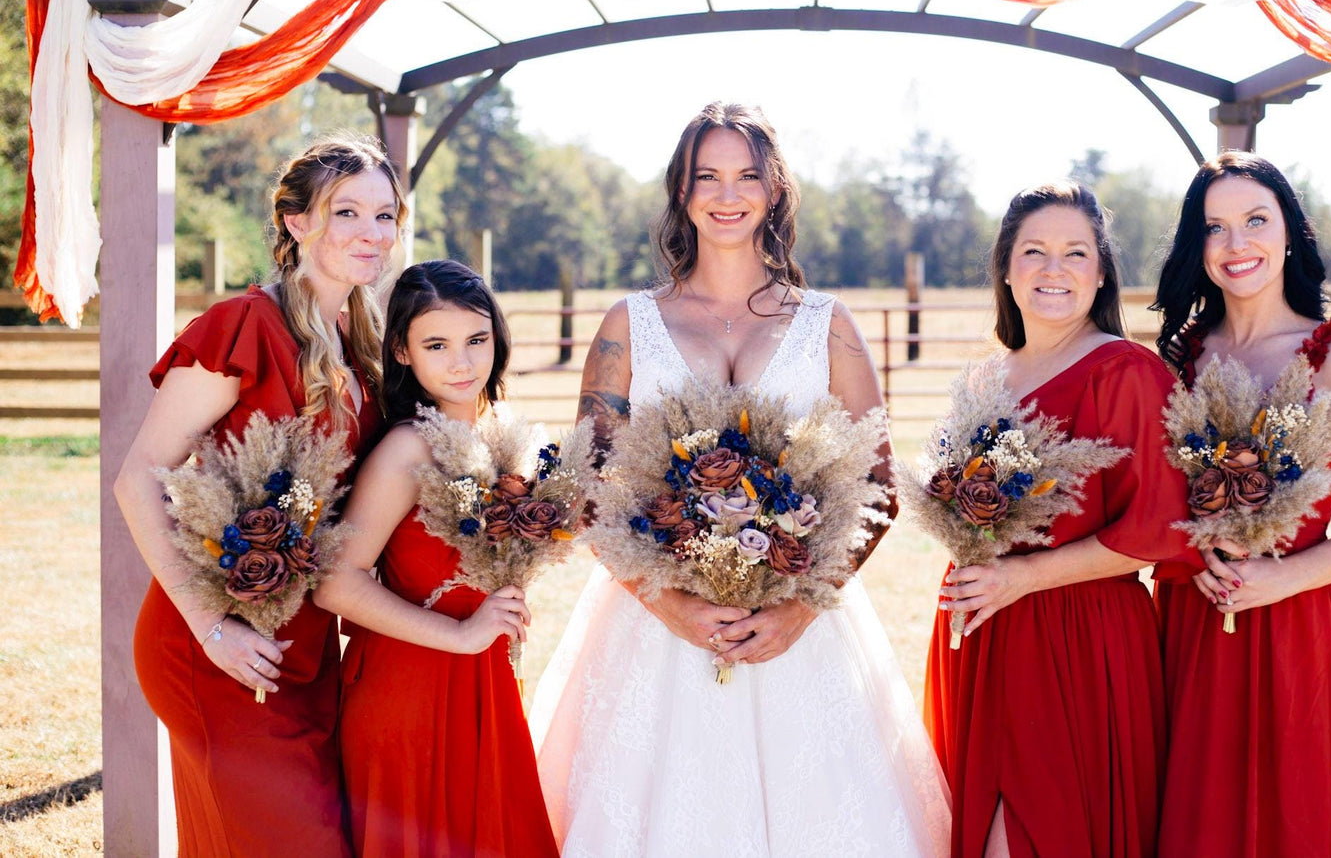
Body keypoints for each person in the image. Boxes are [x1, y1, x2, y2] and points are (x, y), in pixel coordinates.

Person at [528, 102, 950, 856]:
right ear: (682, 193)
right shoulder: (629, 324)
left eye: (747, 176)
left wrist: (799, 610)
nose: (727, 194)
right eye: (707, 176)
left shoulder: (827, 323)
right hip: (652, 625)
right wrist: (670, 606)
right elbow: (586, 489)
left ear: (775, 190)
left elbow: (879, 486)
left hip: (800, 622)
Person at [114, 135, 404, 856]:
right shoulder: (245, 324)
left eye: (385, 215)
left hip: (305, 647)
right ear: (297, 221)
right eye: (348, 213)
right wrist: (212, 627)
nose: (372, 233)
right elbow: (137, 476)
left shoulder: (359, 340)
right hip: (215, 645)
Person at [1150, 152, 1331, 857]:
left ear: (1289, 231)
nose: (1235, 243)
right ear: (1196, 246)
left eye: (1253, 220)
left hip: (1292, 624)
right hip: (1187, 621)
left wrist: (1280, 578)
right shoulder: (1180, 358)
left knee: (1285, 821)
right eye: (1214, 227)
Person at [924, 181, 1191, 858]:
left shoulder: (1126, 372)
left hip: (1079, 640)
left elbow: (1156, 530)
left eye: (1074, 253)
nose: (1052, 269)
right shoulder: (988, 377)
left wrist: (1025, 576)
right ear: (1006, 270)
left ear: (1099, 272)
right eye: (1033, 251)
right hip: (985, 638)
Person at [314, 259, 558, 858]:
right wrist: (463, 635)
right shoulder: (406, 448)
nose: (461, 362)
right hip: (414, 684)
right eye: (437, 344)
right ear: (401, 350)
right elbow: (334, 583)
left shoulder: (501, 434)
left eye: (477, 340)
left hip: (485, 677)